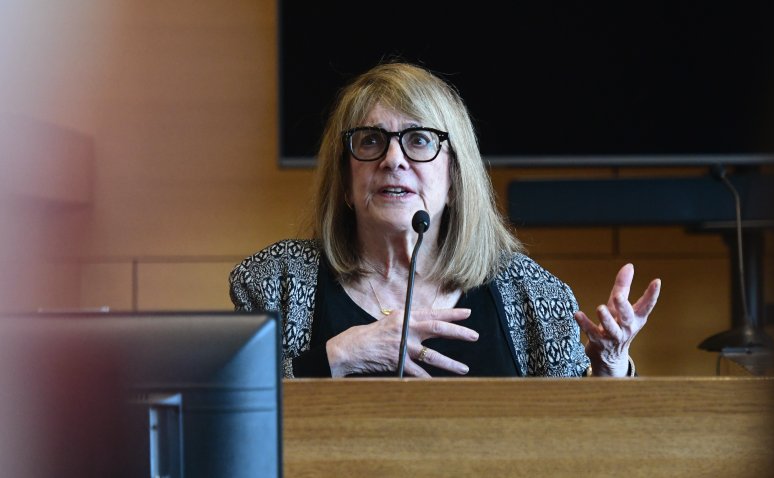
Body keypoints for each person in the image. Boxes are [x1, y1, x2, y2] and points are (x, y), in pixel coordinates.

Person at [229, 61, 661, 378]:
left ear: (454, 178)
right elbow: (227, 420)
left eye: (419, 140)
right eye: (371, 140)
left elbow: (583, 434)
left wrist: (610, 365)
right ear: (344, 180)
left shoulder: (530, 292)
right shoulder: (277, 283)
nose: (393, 159)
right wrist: (338, 356)